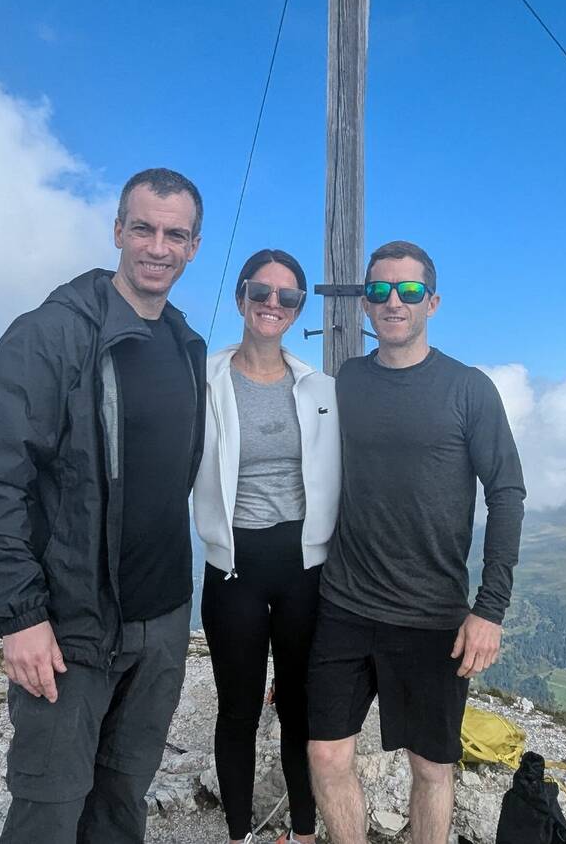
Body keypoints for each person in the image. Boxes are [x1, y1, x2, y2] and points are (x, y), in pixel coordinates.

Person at [0, 168, 207, 843]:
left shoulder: (186, 345)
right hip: (72, 627)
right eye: (144, 228)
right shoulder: (50, 334)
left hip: (161, 623)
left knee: (122, 799)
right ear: (118, 230)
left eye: (175, 234)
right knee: (50, 808)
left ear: (194, 246)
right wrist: (19, 616)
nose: (158, 246)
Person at [306, 240, 526, 844]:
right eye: (379, 291)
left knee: (432, 767)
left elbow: (506, 492)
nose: (393, 302)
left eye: (407, 291)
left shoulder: (469, 388)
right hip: (345, 604)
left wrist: (489, 610)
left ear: (432, 301)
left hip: (432, 616)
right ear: (366, 305)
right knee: (326, 756)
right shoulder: (347, 381)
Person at [193, 249, 339, 844]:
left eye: (288, 297)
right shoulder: (202, 380)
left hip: (304, 564)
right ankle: (238, 835)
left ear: (300, 306)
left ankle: (302, 833)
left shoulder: (319, 387)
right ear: (240, 298)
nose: (273, 305)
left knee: (299, 708)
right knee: (238, 711)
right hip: (234, 567)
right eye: (261, 292)